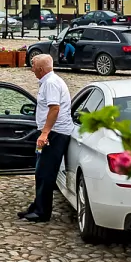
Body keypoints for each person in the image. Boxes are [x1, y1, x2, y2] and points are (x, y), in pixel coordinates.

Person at [21, 53, 74, 222]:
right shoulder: (50, 81)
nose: (31, 69)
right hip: (52, 131)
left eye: (34, 66)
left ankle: (42, 212)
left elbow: (54, 109)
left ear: (41, 69)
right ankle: (36, 206)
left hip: (55, 133)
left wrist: (45, 133)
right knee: (40, 170)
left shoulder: (50, 83)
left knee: (45, 172)